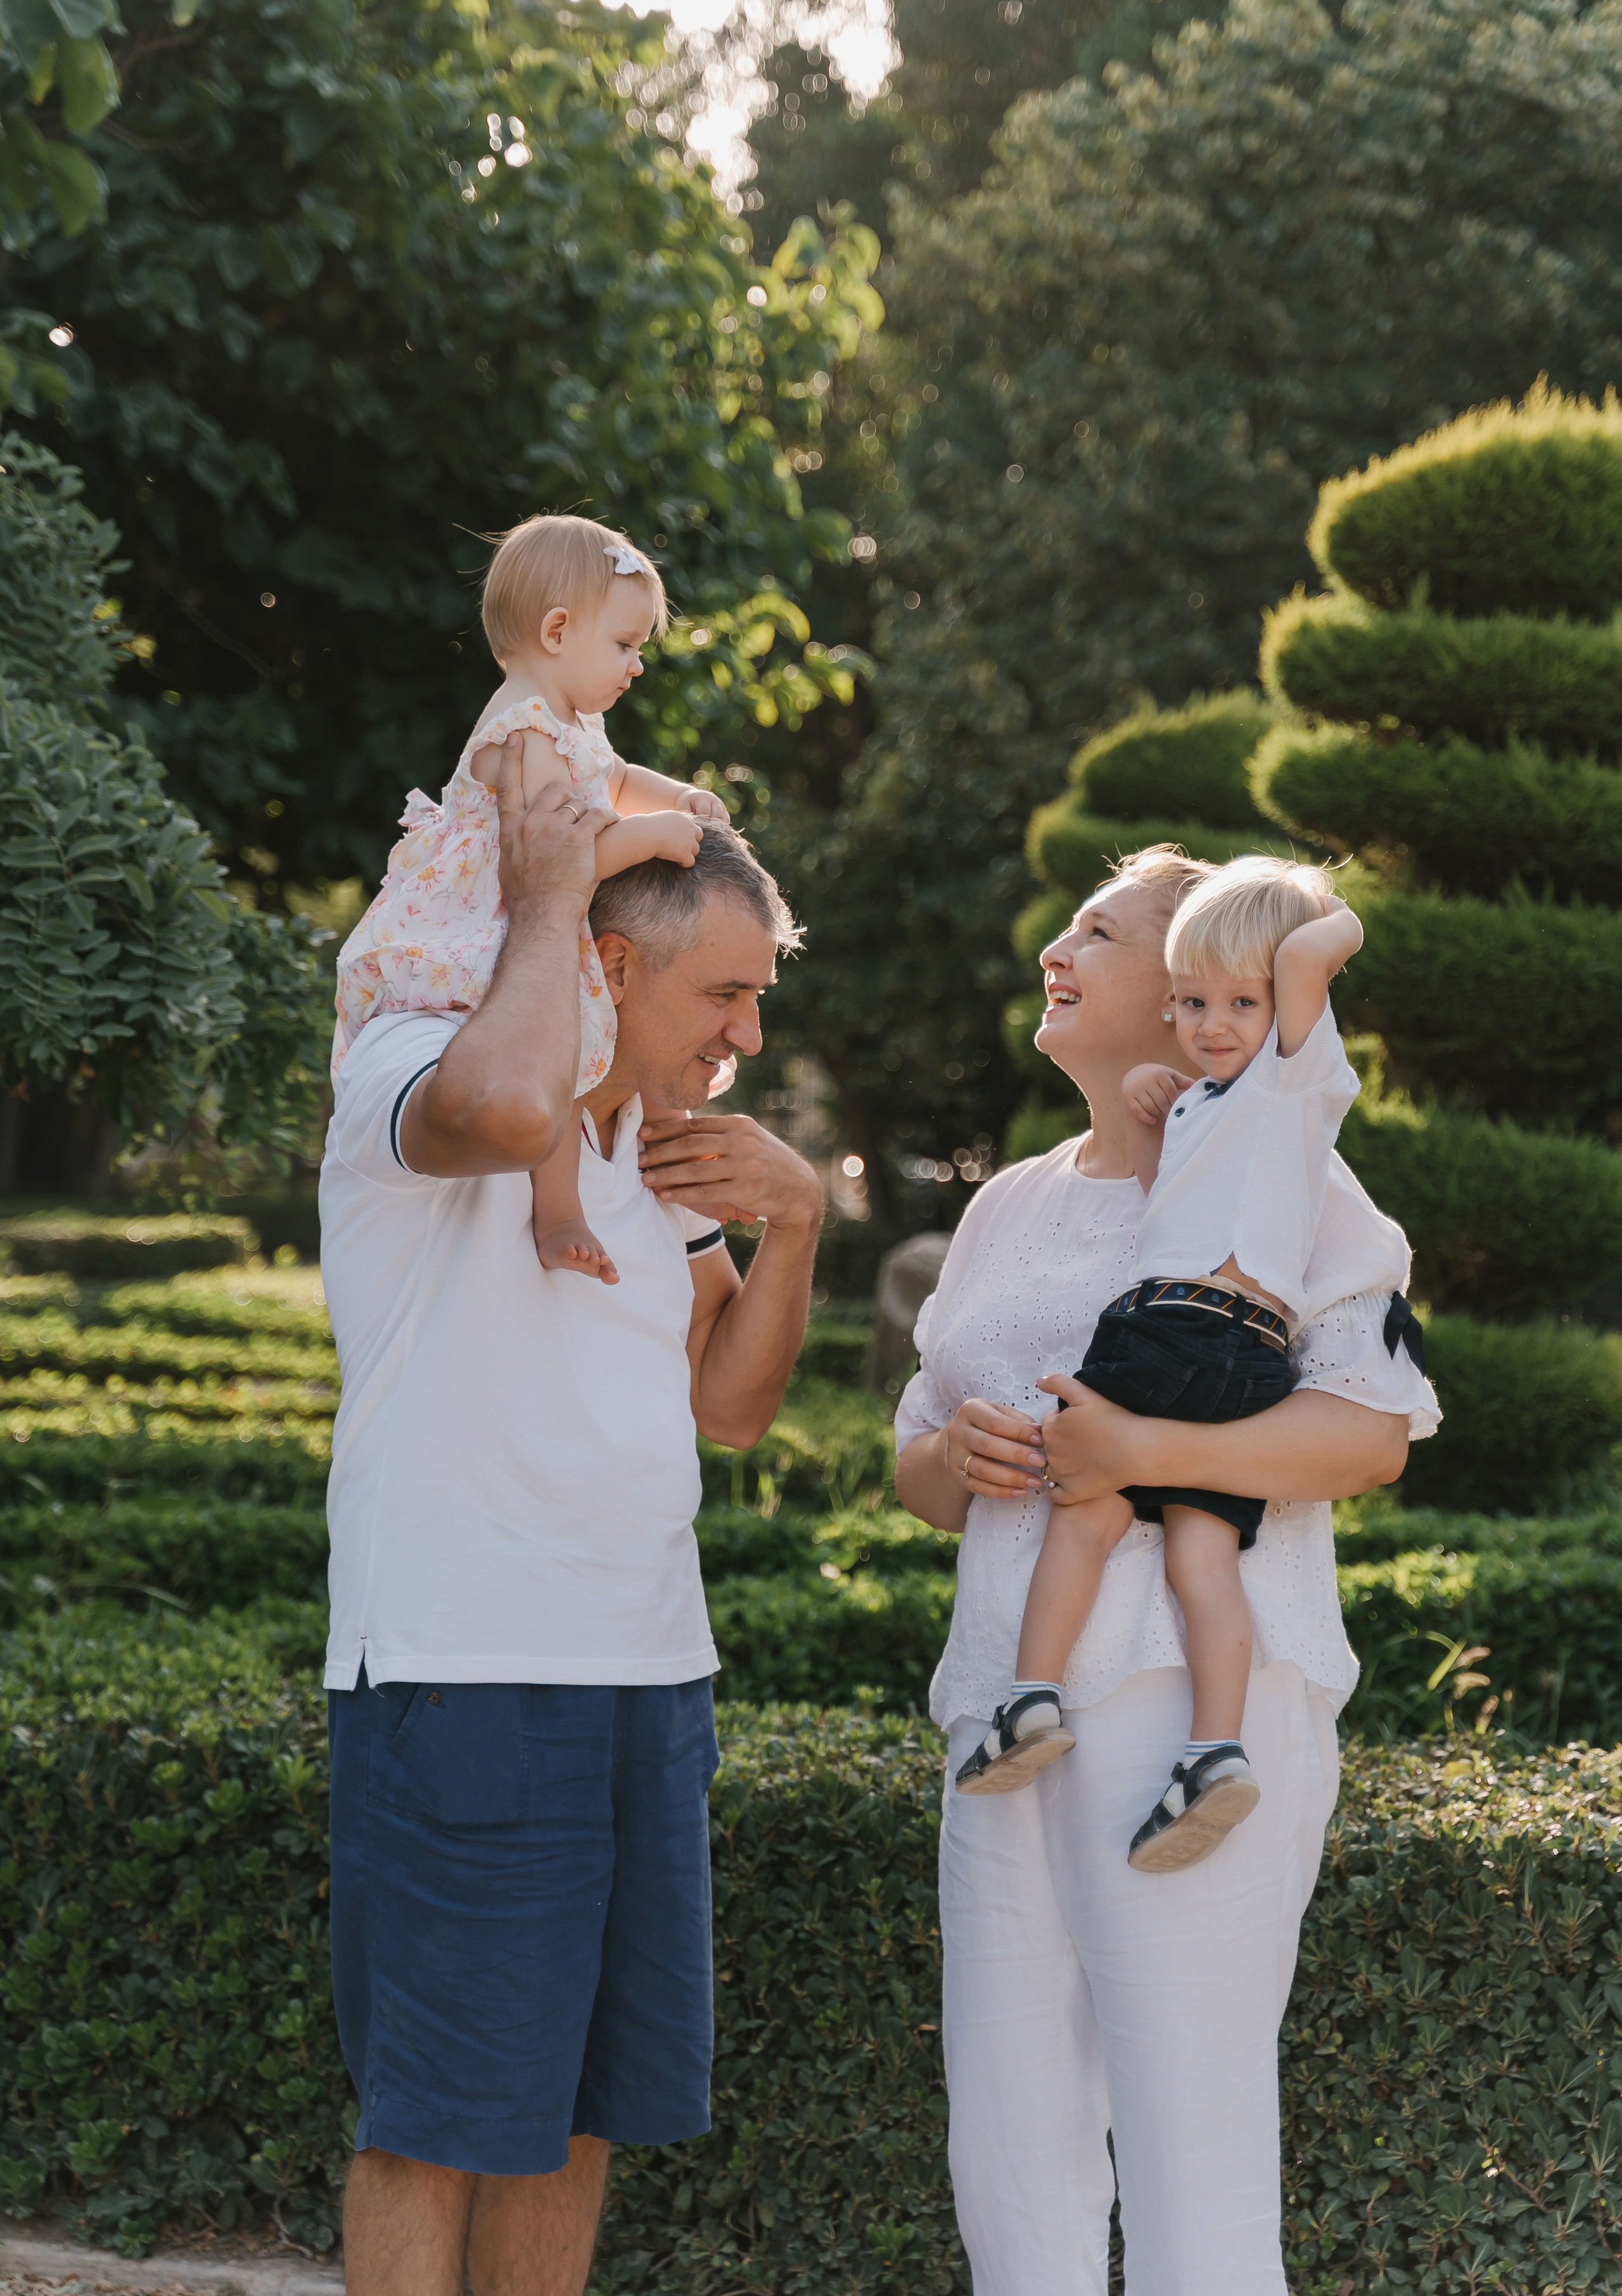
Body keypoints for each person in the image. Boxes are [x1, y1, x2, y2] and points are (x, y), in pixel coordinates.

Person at [893, 843, 1438, 2296]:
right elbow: (913, 1463)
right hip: (1002, 1706)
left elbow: (1371, 1432)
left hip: (1183, 1696)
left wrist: (1136, 1443)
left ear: (1201, 981)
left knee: (1190, 2146)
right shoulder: (1005, 1203)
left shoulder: (1300, 1178)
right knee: (1008, 2148)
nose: (1052, 952)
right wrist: (958, 1455)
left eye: (1094, 930)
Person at [319, 752, 824, 2296]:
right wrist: (546, 896)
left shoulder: (658, 1155)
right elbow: (501, 1102)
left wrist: (796, 1221)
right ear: (607, 963)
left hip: (649, 1675)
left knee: (581, 2111)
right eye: (724, 994)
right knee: (436, 2121)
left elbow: (730, 1406)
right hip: (460, 1669)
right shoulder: (419, 1058)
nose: (747, 1034)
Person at [955, 859, 1372, 1882]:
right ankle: (1213, 1752)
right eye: (1193, 1002)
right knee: (1202, 1560)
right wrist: (1164, 1110)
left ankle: (1031, 1698)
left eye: (1239, 1001)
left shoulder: (1298, 1086)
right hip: (1244, 1350)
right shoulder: (1202, 1113)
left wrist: (1299, 904)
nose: (1212, 1022)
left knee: (1086, 1506)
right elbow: (1176, 1212)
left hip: (1171, 1329)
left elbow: (1316, 952)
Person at [332, 511, 734, 1285]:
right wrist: (651, 838)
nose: (636, 666)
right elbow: (561, 864)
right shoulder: (524, 734)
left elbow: (616, 780)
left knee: (605, 1032)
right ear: (556, 631)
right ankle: (559, 1213)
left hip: (531, 911)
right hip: (492, 922)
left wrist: (675, 796)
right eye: (625, 645)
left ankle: (620, 1190)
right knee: (562, 1039)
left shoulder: (570, 724)